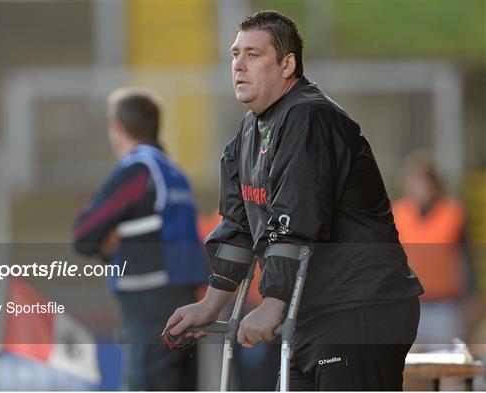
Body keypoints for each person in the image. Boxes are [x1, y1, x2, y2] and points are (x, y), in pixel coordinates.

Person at [165, 10, 424, 391]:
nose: (238, 65)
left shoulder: (310, 117)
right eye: (235, 55)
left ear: (288, 64)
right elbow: (238, 229)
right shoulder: (248, 133)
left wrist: (272, 303)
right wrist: (211, 303)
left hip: (360, 306)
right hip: (314, 312)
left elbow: (296, 218)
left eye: (253, 55)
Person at [73, 88, 208, 390]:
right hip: (185, 306)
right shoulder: (174, 172)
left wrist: (107, 238)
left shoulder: (139, 170)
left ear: (118, 128)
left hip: (150, 314)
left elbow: (84, 236)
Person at [393, 150, 477, 346]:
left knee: (448, 365)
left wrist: (471, 298)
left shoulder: (454, 214)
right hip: (409, 304)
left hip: (445, 305)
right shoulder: (397, 214)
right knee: (407, 368)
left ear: (436, 183)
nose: (422, 187)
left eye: (426, 180)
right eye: (416, 180)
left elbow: (467, 259)